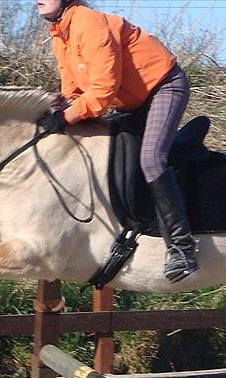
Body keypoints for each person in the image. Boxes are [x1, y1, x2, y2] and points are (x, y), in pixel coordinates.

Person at [36, 0, 198, 283]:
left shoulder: (88, 22)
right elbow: (72, 90)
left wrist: (69, 115)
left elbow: (102, 89)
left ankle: (182, 248)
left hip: (164, 87)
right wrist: (56, 111)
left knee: (150, 159)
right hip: (131, 102)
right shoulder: (59, 34)